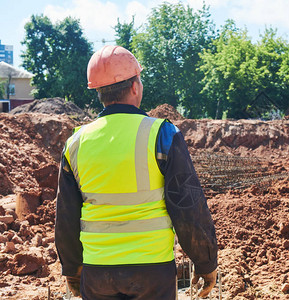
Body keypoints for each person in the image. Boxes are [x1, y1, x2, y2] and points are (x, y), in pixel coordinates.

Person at [55, 45, 218, 299]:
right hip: (152, 270)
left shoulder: (75, 143)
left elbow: (66, 215)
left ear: (99, 92)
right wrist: (205, 263)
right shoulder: (162, 134)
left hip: (98, 271)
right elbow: (188, 207)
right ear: (135, 87)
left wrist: (73, 270)